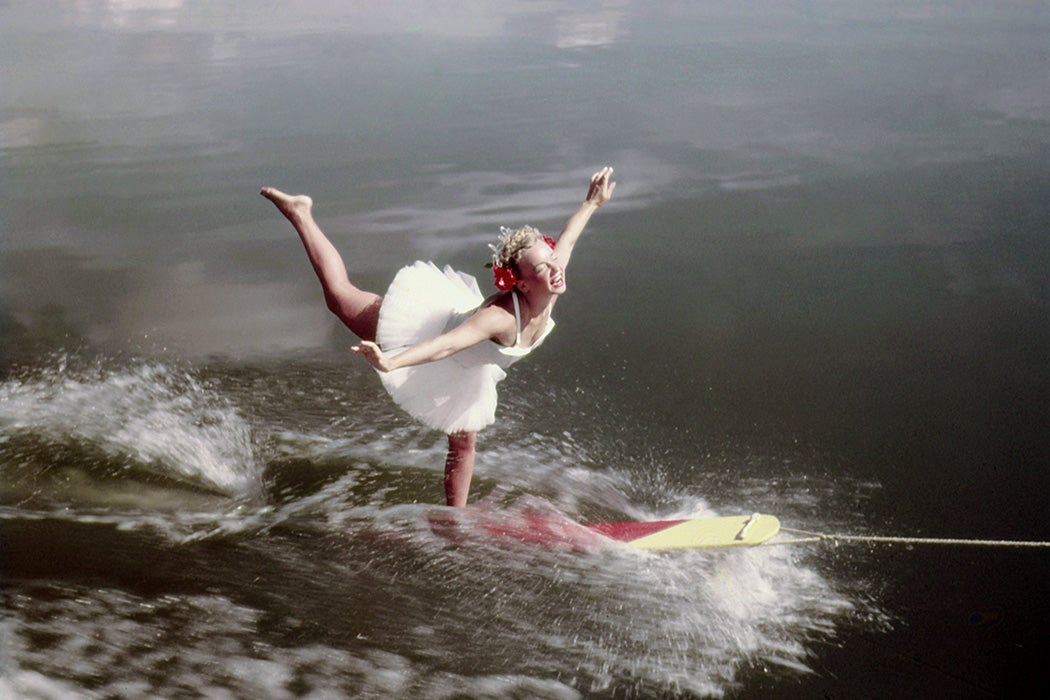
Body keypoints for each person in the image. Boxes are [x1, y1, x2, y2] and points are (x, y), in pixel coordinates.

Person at [261, 167, 615, 507]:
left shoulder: (550, 281)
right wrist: (390, 361)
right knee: (339, 297)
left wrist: (592, 203)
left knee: (463, 444)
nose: (555, 269)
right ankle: (301, 213)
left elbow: (567, 238)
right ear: (521, 284)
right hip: (429, 333)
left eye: (553, 260)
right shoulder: (500, 317)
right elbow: (444, 345)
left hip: (469, 369)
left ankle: (454, 521)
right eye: (543, 267)